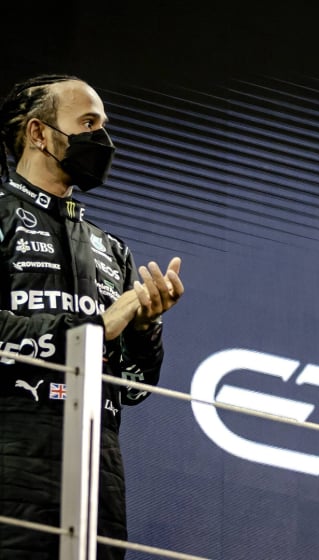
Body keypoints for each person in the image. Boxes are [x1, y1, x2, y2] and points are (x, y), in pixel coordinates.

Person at [0, 74, 184, 558]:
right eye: (88, 123)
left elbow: (136, 388)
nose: (102, 139)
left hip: (99, 482)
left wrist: (144, 330)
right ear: (38, 133)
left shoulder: (112, 249)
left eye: (104, 125)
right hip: (12, 459)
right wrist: (95, 328)